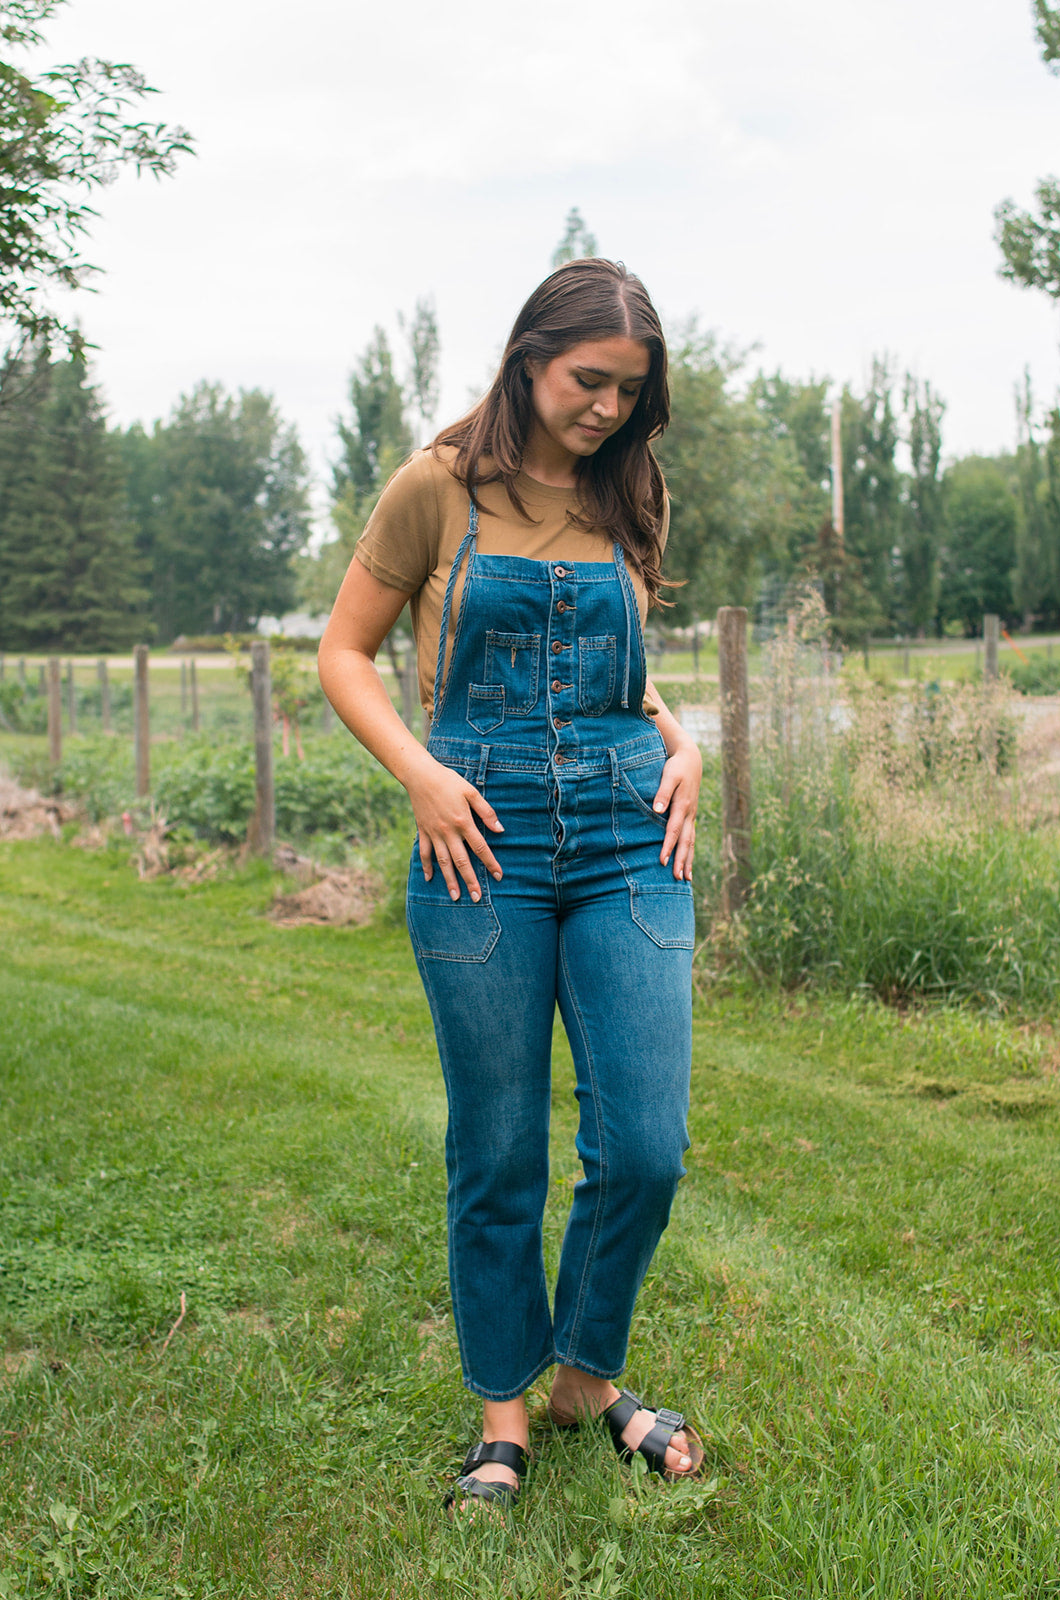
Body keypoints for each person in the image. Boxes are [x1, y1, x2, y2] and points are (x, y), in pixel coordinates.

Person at [318, 258, 704, 1514]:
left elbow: (612, 669)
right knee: (496, 1148)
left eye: (628, 390)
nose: (605, 408)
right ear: (529, 355)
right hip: (477, 835)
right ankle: (504, 1411)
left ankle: (584, 1375)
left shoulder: (631, 489)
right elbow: (344, 652)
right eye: (589, 380)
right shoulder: (437, 486)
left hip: (625, 829)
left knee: (643, 1145)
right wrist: (421, 775)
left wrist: (682, 739)